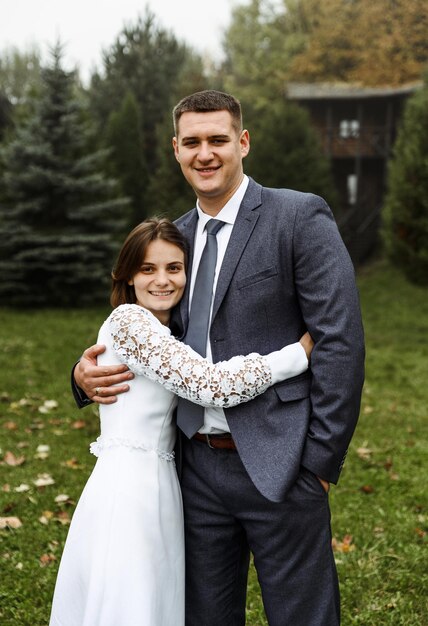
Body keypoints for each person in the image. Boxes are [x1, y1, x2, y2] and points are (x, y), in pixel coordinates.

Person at [73, 90, 365, 625]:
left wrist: (319, 464)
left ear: (243, 142)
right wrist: (81, 373)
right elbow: (138, 327)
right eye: (192, 142)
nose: (205, 153)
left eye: (218, 140)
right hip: (192, 471)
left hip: (282, 463)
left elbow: (340, 339)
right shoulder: (173, 240)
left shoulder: (299, 217)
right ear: (176, 150)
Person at [52, 217, 313, 626]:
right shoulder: (130, 322)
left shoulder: (164, 329)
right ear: (127, 275)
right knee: (130, 604)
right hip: (130, 492)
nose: (163, 280)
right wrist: (298, 354)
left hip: (161, 483)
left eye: (174, 268)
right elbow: (210, 386)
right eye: (148, 269)